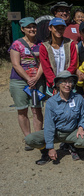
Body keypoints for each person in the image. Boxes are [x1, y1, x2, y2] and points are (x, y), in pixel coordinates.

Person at [25, 71, 84, 165]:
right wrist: (50, 148)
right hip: (56, 132)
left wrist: (81, 127)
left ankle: (72, 146)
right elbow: (49, 125)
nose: (67, 85)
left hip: (72, 132)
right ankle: (45, 153)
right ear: (58, 84)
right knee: (30, 139)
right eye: (64, 82)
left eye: (70, 81)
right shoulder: (51, 102)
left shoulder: (78, 98)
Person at [9, 17, 44, 148]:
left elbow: (43, 63)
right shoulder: (16, 44)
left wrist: (36, 77)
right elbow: (15, 64)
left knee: (37, 109)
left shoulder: (41, 44)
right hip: (19, 81)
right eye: (28, 27)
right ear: (22, 29)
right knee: (22, 110)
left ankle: (37, 137)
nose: (32, 29)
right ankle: (28, 138)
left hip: (37, 81)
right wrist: (28, 79)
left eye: (33, 26)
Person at [39, 17, 78, 92]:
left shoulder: (70, 43)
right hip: (53, 86)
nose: (59, 30)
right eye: (56, 28)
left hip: (68, 85)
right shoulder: (44, 47)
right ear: (50, 28)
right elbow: (46, 68)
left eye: (62, 28)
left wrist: (65, 80)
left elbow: (73, 63)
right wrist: (55, 83)